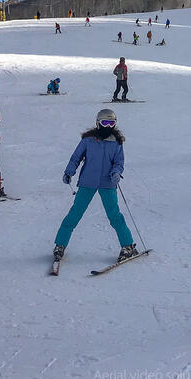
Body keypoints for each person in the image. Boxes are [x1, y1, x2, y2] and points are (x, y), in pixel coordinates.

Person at [54, 108, 138, 264]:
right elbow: (76, 158)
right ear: (98, 123)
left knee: (114, 216)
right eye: (105, 122)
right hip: (88, 182)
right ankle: (60, 245)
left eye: (111, 123)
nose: (108, 126)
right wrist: (69, 172)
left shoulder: (116, 142)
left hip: (107, 183)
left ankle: (128, 246)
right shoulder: (88, 140)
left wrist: (116, 173)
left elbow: (119, 162)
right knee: (75, 214)